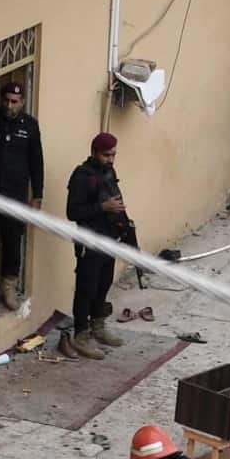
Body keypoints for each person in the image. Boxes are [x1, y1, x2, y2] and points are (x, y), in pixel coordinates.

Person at [62, 132, 135, 356]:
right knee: (86, 288)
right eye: (106, 155)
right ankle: (81, 334)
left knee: (103, 284)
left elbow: (117, 202)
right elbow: (72, 212)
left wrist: (125, 230)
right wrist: (103, 208)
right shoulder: (82, 176)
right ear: (94, 152)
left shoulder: (109, 172)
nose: (110, 159)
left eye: (113, 155)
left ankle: (98, 326)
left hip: (109, 239)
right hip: (89, 241)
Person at [0, 77, 45, 309]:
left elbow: (37, 162)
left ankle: (9, 287)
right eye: (6, 100)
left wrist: (37, 194)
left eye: (15, 101)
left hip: (15, 198)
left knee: (12, 244)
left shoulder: (30, 126)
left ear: (22, 102)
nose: (9, 105)